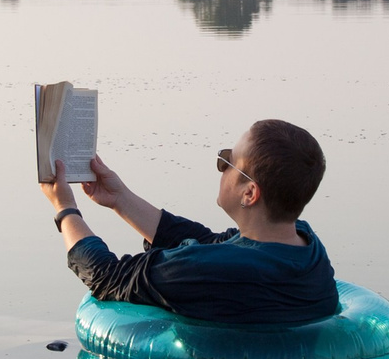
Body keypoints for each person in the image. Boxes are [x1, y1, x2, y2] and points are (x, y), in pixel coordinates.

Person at [38, 118, 336, 326]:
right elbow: (215, 243)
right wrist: (120, 198)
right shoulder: (307, 246)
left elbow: (106, 277)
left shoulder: (204, 270)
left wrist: (65, 208)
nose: (221, 168)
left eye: (227, 161)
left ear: (249, 193)